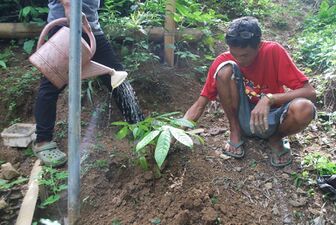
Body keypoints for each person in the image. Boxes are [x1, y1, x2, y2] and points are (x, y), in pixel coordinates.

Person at [184, 16, 316, 167]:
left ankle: (276, 138)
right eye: (234, 54)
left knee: (304, 108)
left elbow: (310, 93)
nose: (239, 60)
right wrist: (175, 132)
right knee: (225, 70)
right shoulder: (224, 61)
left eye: (245, 55)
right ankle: (235, 131)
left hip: (273, 116)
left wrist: (269, 99)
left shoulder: (273, 51)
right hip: (243, 117)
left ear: (259, 45)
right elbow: (200, 104)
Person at [32, 0, 144, 167]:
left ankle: (139, 128)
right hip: (64, 27)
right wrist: (69, 5)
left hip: (91, 29)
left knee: (117, 76)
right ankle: (43, 141)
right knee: (52, 83)